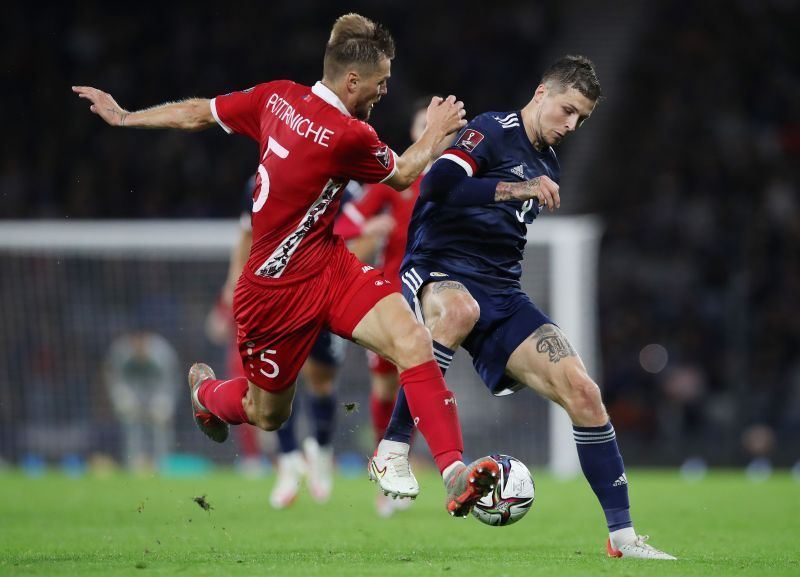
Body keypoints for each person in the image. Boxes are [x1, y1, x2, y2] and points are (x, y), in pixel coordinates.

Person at [73, 13, 500, 517]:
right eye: (382, 82)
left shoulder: (276, 96)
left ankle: (452, 472)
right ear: (353, 80)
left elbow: (199, 112)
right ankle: (208, 394)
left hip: (327, 264)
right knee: (267, 413)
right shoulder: (348, 134)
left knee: (412, 340)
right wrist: (435, 132)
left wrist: (126, 117)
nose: (386, 91)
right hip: (272, 291)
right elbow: (405, 173)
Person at [369, 55, 676, 559]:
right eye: (567, 110)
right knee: (458, 311)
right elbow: (437, 185)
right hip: (438, 267)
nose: (571, 125)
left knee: (584, 392)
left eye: (581, 119)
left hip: (501, 294)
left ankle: (623, 538)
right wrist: (515, 187)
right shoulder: (492, 129)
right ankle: (393, 447)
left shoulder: (547, 163)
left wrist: (528, 185)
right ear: (541, 93)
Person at [206, 177, 393, 508]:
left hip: (326, 294)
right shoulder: (260, 181)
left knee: (320, 380)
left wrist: (330, 281)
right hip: (277, 295)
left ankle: (320, 451)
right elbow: (247, 234)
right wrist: (231, 285)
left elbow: (365, 237)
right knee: (278, 380)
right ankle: (289, 461)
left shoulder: (344, 185)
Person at [333, 97, 431, 517]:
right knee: (388, 388)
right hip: (391, 296)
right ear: (413, 132)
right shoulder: (394, 177)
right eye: (424, 123)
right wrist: (369, 227)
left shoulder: (460, 178)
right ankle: (387, 468)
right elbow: (342, 222)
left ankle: (427, 464)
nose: (431, 131)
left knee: (423, 382)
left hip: (439, 298)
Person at [104, 330, 180, 472]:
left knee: (160, 424)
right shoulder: (120, 351)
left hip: (157, 393)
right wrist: (121, 395)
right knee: (131, 422)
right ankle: (133, 465)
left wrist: (165, 401)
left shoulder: (163, 352)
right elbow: (114, 378)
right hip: (133, 393)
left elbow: (171, 380)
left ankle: (162, 466)